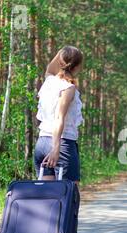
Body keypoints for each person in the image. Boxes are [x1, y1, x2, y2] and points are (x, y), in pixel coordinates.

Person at [34, 46, 84, 184]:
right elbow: (59, 117)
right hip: (62, 144)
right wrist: (56, 148)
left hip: (42, 143)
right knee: (68, 195)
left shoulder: (49, 81)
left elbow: (50, 69)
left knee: (48, 198)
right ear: (76, 66)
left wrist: (64, 51)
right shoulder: (68, 88)